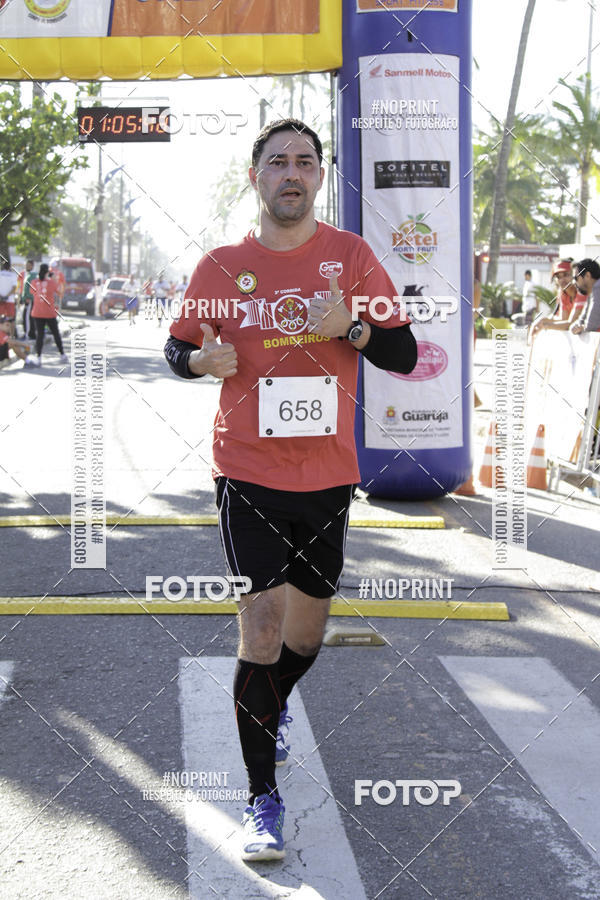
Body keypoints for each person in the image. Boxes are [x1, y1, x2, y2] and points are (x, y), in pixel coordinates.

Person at [164, 118, 417, 862]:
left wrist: (354, 329)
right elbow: (178, 346)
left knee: (306, 637)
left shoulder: (351, 257)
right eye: (277, 162)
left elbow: (402, 352)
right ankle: (260, 799)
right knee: (263, 632)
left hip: (328, 477)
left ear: (318, 177)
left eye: (305, 161)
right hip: (244, 471)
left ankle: (269, 707)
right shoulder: (220, 265)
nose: (292, 172)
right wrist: (194, 364)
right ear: (257, 178)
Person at [530, 260, 586, 337]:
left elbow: (569, 324)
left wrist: (545, 324)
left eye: (566, 275)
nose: (562, 280)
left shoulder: (582, 292)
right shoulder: (563, 294)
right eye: (558, 277)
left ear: (574, 274)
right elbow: (564, 320)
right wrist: (542, 321)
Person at [29, 263, 67, 366]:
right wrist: (60, 282)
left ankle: (39, 357)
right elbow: (60, 293)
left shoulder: (34, 282)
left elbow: (32, 292)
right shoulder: (52, 283)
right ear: (48, 272)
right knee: (55, 333)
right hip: (49, 312)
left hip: (37, 312)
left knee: (40, 335)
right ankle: (62, 354)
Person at [570, 259, 600, 334]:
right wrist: (579, 327)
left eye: (575, 278)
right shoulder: (592, 292)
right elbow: (579, 322)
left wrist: (581, 328)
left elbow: (591, 325)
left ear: (587, 275)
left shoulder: (598, 288)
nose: (573, 283)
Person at [17, 259, 36, 340]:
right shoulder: (22, 274)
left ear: (32, 266)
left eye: (29, 265)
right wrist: (19, 297)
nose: (27, 266)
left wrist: (29, 297)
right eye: (26, 265)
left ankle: (29, 333)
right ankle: (28, 332)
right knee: (24, 316)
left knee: (28, 316)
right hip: (22, 297)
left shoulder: (34, 275)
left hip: (29, 299)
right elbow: (18, 286)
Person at [0, 260, 18, 337]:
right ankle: (11, 336)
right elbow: (14, 288)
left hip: (0, 299)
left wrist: (2, 296)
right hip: (10, 300)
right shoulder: (13, 275)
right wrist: (7, 295)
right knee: (11, 319)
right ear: (10, 267)